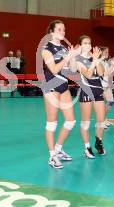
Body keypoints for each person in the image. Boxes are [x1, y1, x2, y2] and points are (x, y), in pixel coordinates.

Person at [41, 20, 81, 169]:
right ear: (51, 32)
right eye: (59, 29)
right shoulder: (46, 48)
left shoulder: (64, 48)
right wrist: (68, 55)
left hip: (63, 85)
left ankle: (58, 149)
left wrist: (74, 56)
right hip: (51, 85)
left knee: (70, 120)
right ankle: (52, 156)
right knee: (52, 123)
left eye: (64, 30)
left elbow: (72, 69)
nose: (62, 32)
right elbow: (54, 69)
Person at [76, 35, 106, 158]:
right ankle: (87, 147)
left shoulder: (95, 57)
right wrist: (94, 61)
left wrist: (97, 60)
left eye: (89, 43)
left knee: (101, 120)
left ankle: (98, 142)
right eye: (85, 43)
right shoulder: (78, 59)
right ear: (80, 45)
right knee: (86, 123)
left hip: (98, 91)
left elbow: (101, 73)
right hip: (86, 91)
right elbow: (88, 74)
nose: (88, 45)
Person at [100, 47, 114, 129]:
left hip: (107, 85)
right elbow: (104, 73)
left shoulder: (106, 62)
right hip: (101, 86)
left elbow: (109, 73)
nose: (107, 53)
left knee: (111, 102)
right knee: (103, 104)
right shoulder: (100, 62)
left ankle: (104, 119)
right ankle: (100, 121)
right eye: (105, 52)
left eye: (107, 52)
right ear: (101, 52)